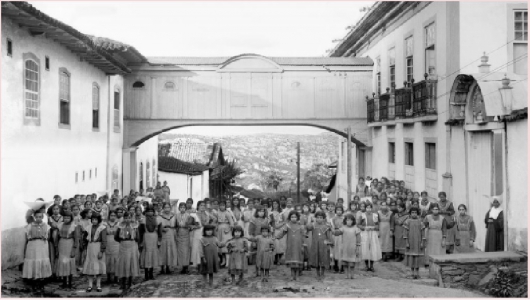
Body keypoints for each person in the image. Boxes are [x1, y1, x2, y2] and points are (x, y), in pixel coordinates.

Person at [22, 209, 52, 292]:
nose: (38, 218)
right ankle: (34, 282)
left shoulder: (46, 226)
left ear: (42, 217)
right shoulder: (29, 226)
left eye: (40, 217)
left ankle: (41, 283)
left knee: (41, 261)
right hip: (33, 246)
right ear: (34, 217)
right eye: (37, 217)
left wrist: (44, 237)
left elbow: (48, 237)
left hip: (42, 246)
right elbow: (27, 237)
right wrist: (31, 237)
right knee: (34, 261)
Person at [275, 210, 305, 281]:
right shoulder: (287, 225)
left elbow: (303, 236)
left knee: (297, 261)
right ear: (289, 218)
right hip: (290, 246)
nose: (293, 218)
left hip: (298, 246)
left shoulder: (300, 226)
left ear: (297, 218)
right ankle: (292, 275)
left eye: (295, 217)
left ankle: (297, 275)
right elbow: (282, 232)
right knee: (292, 261)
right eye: (292, 217)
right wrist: (277, 236)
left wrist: (303, 244)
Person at [115, 212, 140, 290]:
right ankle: (122, 283)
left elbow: (138, 237)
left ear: (131, 218)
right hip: (123, 245)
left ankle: (129, 282)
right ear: (123, 218)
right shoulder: (120, 226)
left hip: (132, 245)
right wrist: (122, 240)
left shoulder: (135, 226)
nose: (127, 219)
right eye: (126, 218)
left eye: (129, 218)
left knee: (131, 263)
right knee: (122, 263)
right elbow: (116, 237)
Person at [82, 213, 107, 293]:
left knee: (98, 266)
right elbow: (84, 239)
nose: (94, 221)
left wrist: (101, 251)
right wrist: (85, 249)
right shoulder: (88, 228)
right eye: (93, 219)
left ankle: (98, 285)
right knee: (90, 266)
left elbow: (104, 240)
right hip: (90, 247)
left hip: (98, 247)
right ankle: (90, 285)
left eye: (96, 220)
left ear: (98, 220)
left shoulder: (102, 228)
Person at [306, 210, 334, 281]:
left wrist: (330, 242)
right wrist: (311, 220)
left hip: (323, 245)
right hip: (315, 245)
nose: (319, 219)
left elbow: (329, 236)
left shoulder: (326, 226)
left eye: (321, 217)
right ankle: (317, 273)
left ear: (324, 218)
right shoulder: (313, 225)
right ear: (315, 218)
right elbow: (307, 228)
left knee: (323, 258)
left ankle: (323, 273)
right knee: (316, 258)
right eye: (317, 217)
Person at [333, 213, 361, 279]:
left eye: (351, 220)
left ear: (353, 221)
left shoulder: (356, 228)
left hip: (352, 248)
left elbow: (358, 238)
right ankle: (346, 274)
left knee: (352, 263)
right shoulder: (343, 228)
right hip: (345, 248)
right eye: (348, 220)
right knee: (345, 263)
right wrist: (332, 230)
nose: (349, 222)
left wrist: (358, 246)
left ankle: (352, 274)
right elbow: (337, 233)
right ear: (345, 221)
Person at [55, 212, 78, 289]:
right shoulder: (60, 225)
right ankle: (64, 282)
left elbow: (76, 238)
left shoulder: (73, 226)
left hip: (70, 243)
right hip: (62, 243)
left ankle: (70, 283)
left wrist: (74, 249)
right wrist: (56, 248)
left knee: (69, 262)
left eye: (68, 218)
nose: (66, 219)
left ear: (71, 218)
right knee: (63, 262)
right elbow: (57, 237)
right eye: (65, 218)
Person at [139, 206, 161, 281]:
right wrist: (141, 241)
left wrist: (159, 240)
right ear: (146, 212)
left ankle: (151, 274)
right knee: (146, 255)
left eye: (151, 211)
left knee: (152, 255)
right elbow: (141, 231)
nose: (150, 212)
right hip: (146, 237)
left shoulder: (156, 219)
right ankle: (146, 274)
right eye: (149, 211)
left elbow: (159, 231)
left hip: (154, 237)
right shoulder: (143, 220)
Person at [403, 207, 425, 279]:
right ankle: (412, 272)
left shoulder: (420, 221)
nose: (414, 214)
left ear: (417, 213)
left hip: (418, 242)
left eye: (415, 212)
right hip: (410, 242)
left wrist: (422, 242)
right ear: (410, 213)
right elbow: (405, 233)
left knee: (417, 257)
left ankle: (417, 272)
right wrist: (406, 242)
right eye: (412, 212)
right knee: (411, 256)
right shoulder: (407, 221)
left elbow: (423, 233)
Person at [359, 203, 382, 272]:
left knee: (373, 248)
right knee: (365, 248)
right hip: (365, 233)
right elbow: (359, 225)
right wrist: (364, 228)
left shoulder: (375, 215)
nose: (368, 209)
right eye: (367, 208)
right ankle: (366, 265)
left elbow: (377, 225)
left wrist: (374, 228)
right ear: (365, 208)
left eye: (370, 208)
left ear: (372, 208)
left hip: (373, 233)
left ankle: (371, 266)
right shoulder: (362, 215)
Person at [423, 204, 447, 268]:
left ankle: (439, 262)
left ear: (438, 210)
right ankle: (428, 263)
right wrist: (424, 237)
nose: (435, 210)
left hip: (439, 235)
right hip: (430, 235)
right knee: (429, 249)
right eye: (434, 209)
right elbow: (424, 227)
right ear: (431, 210)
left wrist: (444, 239)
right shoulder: (427, 217)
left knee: (439, 249)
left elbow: (444, 229)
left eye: (436, 209)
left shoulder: (442, 218)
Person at [248, 205, 269, 275]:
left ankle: (263, 270)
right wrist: (253, 241)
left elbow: (268, 230)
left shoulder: (266, 220)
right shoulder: (253, 220)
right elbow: (250, 231)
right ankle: (257, 270)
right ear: (257, 212)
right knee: (257, 255)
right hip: (256, 239)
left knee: (264, 255)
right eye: (260, 211)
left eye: (263, 211)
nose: (261, 213)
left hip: (264, 240)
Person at [158, 202, 178, 274]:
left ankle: (169, 266)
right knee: (163, 250)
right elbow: (157, 227)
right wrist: (162, 229)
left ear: (170, 208)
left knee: (170, 250)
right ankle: (162, 267)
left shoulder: (173, 216)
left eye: (168, 207)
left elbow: (176, 225)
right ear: (163, 208)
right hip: (163, 234)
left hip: (171, 233)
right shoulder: (160, 216)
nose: (167, 209)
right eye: (165, 207)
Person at [176, 202, 194, 274]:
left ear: (186, 208)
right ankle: (182, 267)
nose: (182, 209)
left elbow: (191, 225)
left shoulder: (188, 216)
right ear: (179, 208)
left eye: (183, 207)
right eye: (181, 207)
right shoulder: (176, 215)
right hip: (179, 233)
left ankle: (186, 267)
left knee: (186, 250)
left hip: (186, 233)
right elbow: (175, 224)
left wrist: (188, 227)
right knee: (180, 251)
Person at [103, 210, 120, 285]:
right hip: (108, 242)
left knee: (116, 259)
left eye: (114, 215)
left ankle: (116, 277)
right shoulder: (104, 224)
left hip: (116, 243)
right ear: (109, 216)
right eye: (111, 215)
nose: (112, 217)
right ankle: (108, 277)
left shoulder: (119, 224)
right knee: (108, 260)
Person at [216, 201, 234, 267]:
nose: (222, 207)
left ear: (225, 206)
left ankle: (228, 262)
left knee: (226, 245)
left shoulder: (227, 213)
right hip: (219, 229)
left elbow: (231, 223)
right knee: (220, 246)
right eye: (220, 205)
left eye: (223, 205)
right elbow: (216, 221)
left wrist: (229, 229)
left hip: (226, 230)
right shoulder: (217, 213)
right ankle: (223, 261)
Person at [270, 200, 285, 265]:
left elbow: (284, 221)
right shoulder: (270, 213)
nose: (275, 205)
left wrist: (280, 225)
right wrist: (274, 227)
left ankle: (280, 258)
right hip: (274, 229)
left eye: (276, 203)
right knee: (275, 244)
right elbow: (270, 222)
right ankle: (276, 259)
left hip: (281, 229)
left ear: (278, 204)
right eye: (273, 203)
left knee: (281, 244)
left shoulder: (282, 212)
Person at [331, 206, 345, 273]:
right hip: (335, 235)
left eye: (340, 210)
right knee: (335, 250)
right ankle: (336, 266)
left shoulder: (344, 218)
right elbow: (332, 227)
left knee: (342, 250)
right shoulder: (333, 218)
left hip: (342, 235)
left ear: (342, 211)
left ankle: (342, 267)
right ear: (335, 211)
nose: (339, 211)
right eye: (337, 210)